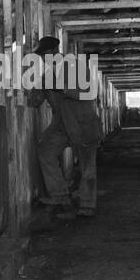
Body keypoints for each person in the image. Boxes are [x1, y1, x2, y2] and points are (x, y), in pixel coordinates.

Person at [27, 36, 102, 217]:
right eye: (41, 57)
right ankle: (60, 194)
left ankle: (87, 204)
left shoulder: (76, 66)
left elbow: (89, 92)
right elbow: (35, 100)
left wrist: (63, 89)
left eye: (45, 55)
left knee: (87, 167)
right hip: (62, 126)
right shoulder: (46, 75)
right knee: (45, 150)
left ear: (55, 52)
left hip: (83, 124)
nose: (44, 60)